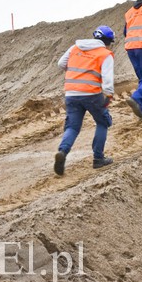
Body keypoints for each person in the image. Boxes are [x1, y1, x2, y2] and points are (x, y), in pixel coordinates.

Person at [54, 25, 116, 175]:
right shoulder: (105, 54)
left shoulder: (75, 48)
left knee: (72, 127)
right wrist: (108, 95)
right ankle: (98, 159)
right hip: (91, 94)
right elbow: (107, 78)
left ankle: (63, 151)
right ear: (108, 41)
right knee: (103, 122)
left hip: (71, 94)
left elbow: (61, 64)